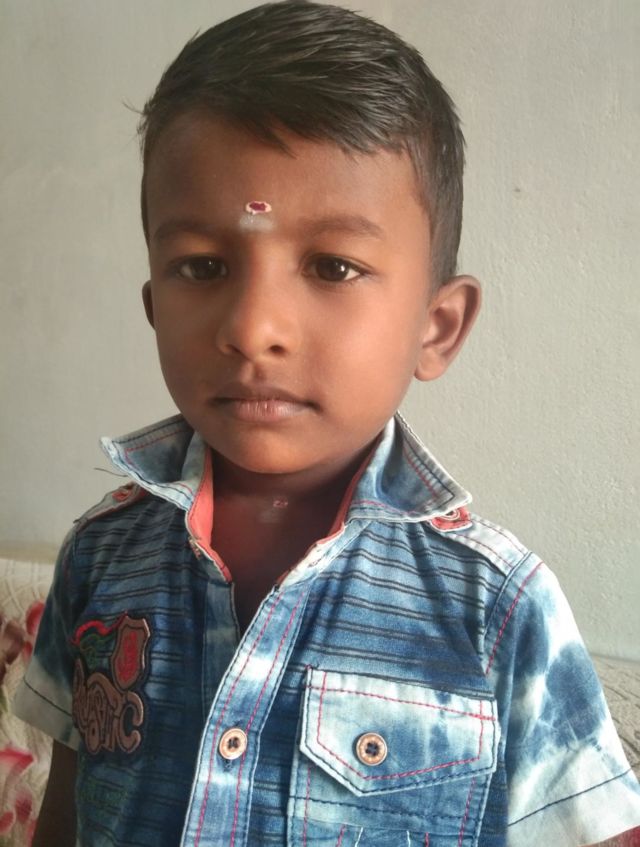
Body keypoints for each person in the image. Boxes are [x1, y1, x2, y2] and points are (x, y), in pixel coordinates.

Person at [13, 2, 640, 845]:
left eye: (334, 266)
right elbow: (69, 808)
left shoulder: (498, 608)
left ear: (437, 327)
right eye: (204, 265)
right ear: (155, 306)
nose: (253, 327)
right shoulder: (100, 555)